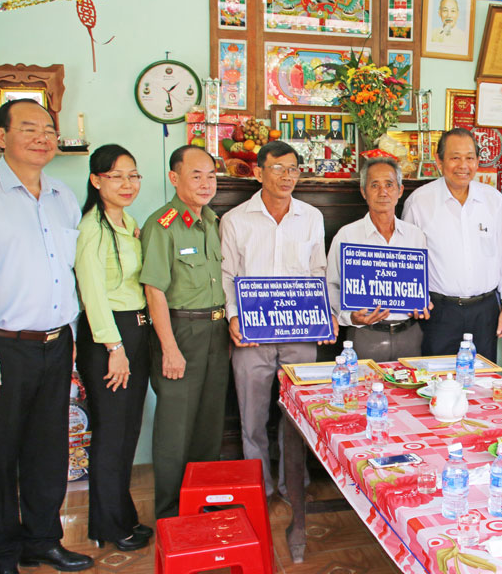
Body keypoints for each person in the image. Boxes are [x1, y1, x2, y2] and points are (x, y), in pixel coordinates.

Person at [0, 99, 93, 573]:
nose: (43, 138)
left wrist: (77, 339)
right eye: (29, 128)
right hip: (1, 348)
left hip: (57, 343)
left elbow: (69, 274)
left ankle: (42, 539)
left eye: (48, 129)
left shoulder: (63, 195)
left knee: (48, 448)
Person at [221, 141, 335, 499]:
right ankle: (259, 487)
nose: (287, 176)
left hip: (300, 329)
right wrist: (233, 317)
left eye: (293, 169)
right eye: (278, 168)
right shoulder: (236, 219)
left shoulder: (312, 217)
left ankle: (293, 484)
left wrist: (326, 314)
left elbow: (319, 271)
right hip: (252, 333)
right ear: (258, 173)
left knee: (298, 412)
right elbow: (228, 273)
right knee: (252, 416)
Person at [139, 145, 231, 519]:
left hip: (215, 331)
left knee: (208, 427)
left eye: (211, 175)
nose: (206, 183)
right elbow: (154, 290)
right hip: (180, 332)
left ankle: (201, 504)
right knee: (175, 430)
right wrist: (169, 349)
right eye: (196, 175)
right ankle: (170, 514)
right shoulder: (162, 225)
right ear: (174, 178)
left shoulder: (211, 221)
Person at [74, 144, 154, 551]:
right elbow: (92, 293)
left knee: (127, 432)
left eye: (133, 175)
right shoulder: (93, 227)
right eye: (117, 176)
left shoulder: (127, 222)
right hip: (110, 338)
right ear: (96, 180)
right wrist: (114, 347)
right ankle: (110, 526)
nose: (128, 184)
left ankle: (123, 517)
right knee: (111, 433)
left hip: (135, 331)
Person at [402, 128, 502, 362]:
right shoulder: (419, 202)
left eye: (470, 157)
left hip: (485, 311)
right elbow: (407, 261)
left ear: (477, 161)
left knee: (482, 382)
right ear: (439, 160)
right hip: (439, 312)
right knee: (437, 381)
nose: (463, 165)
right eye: (455, 157)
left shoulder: (493, 200)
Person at [327, 156, 429, 360]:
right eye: (375, 185)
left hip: (410, 334)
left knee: (409, 391)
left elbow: (422, 285)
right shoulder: (347, 235)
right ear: (364, 192)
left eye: (389, 184)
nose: (383, 192)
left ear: (400, 191)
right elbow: (331, 286)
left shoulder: (415, 235)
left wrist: (425, 303)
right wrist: (350, 317)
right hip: (366, 335)